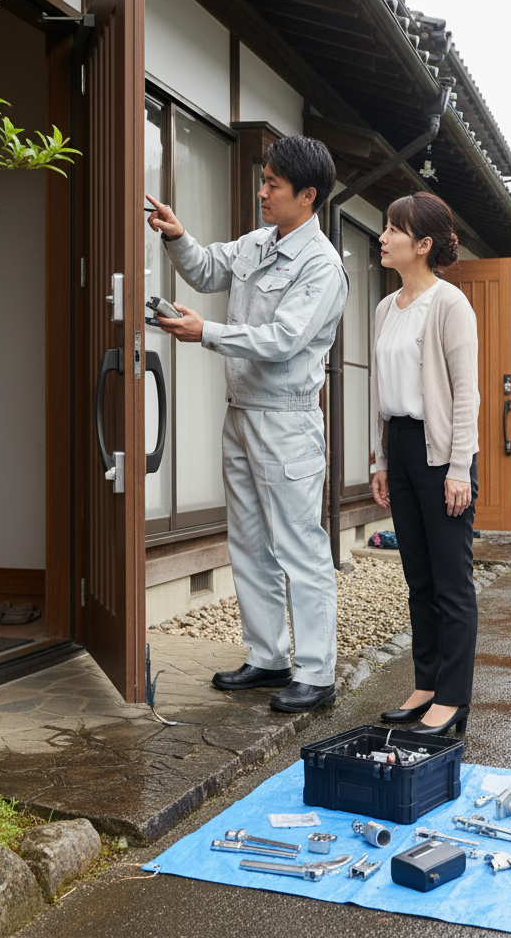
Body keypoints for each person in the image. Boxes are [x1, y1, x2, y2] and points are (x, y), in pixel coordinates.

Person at [145, 136, 347, 713]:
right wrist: (178, 235)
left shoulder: (322, 266)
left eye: (273, 186)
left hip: (286, 422)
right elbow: (209, 271)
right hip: (241, 415)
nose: (262, 192)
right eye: (263, 180)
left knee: (300, 547)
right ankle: (268, 658)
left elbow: (283, 340)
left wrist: (205, 333)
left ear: (306, 196)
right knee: (250, 543)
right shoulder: (260, 243)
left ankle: (316, 671)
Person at [369, 193, 479, 736]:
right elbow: (377, 390)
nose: (383, 236)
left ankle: (454, 697)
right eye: (386, 227)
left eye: (394, 229)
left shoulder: (450, 304)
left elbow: (466, 393)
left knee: (451, 580)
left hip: (442, 455)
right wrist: (379, 456)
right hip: (402, 448)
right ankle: (428, 682)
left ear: (423, 245)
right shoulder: (385, 308)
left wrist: (460, 467)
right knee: (418, 578)